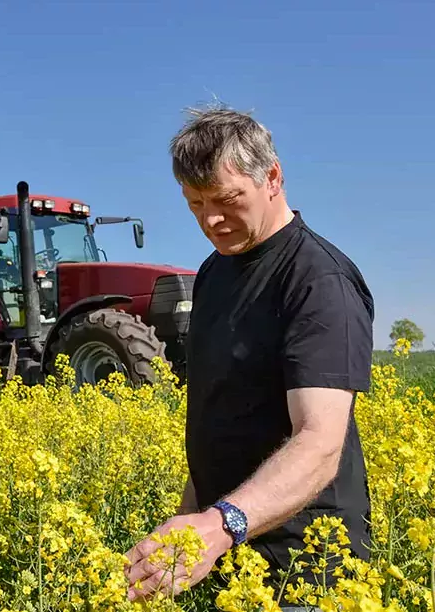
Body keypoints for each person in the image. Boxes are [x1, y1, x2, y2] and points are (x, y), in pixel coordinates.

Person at [124, 104, 374, 609]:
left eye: (226, 199)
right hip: (231, 556)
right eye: (194, 204)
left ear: (273, 178)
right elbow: (217, 414)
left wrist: (220, 525)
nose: (211, 220)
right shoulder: (214, 274)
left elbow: (320, 443)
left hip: (307, 571)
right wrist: (189, 526)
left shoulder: (317, 280)